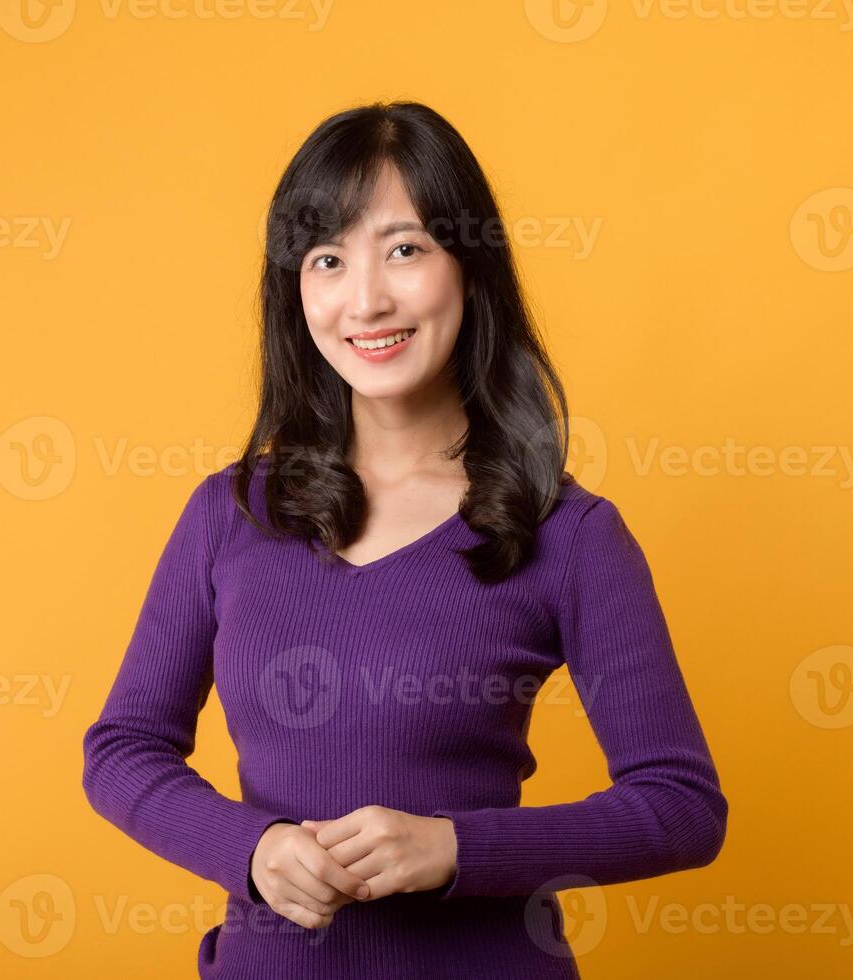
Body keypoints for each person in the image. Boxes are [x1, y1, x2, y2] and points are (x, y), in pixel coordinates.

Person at [82, 100, 727, 979]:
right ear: (294, 290)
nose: (366, 299)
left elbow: (682, 805)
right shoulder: (230, 514)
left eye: (404, 248)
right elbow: (123, 748)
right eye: (328, 259)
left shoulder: (569, 536)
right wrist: (252, 848)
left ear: (470, 268)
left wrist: (458, 850)